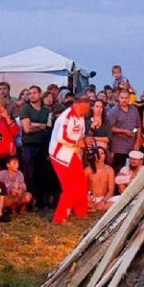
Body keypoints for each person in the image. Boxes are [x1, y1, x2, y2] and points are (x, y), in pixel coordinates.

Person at [48, 94, 90, 224]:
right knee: (70, 186)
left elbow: (80, 134)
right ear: (81, 104)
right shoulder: (67, 116)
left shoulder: (81, 116)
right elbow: (62, 137)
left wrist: (81, 143)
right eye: (87, 106)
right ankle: (59, 217)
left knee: (82, 182)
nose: (88, 109)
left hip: (72, 153)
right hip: (60, 155)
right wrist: (78, 143)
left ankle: (80, 212)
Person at [19, 85, 53, 209]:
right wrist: (40, 126)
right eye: (29, 93)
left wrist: (34, 124)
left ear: (40, 94)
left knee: (42, 174)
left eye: (34, 93)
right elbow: (27, 129)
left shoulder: (46, 111)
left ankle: (40, 202)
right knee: (29, 174)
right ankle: (29, 202)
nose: (31, 95)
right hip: (29, 146)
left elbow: (48, 128)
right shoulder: (25, 109)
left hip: (43, 145)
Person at [108, 89, 142, 174]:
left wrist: (137, 142)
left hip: (132, 146)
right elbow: (109, 128)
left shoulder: (134, 109)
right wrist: (123, 131)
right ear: (118, 98)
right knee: (119, 171)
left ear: (129, 98)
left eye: (126, 98)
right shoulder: (114, 111)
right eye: (122, 98)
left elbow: (138, 126)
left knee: (132, 171)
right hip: (119, 148)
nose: (124, 100)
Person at [85, 146, 116, 212]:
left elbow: (111, 190)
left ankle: (96, 207)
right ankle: (92, 207)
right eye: (97, 153)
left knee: (118, 200)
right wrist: (88, 197)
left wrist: (103, 201)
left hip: (104, 198)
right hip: (91, 198)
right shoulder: (87, 170)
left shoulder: (109, 170)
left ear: (105, 155)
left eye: (102, 153)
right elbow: (82, 188)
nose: (99, 155)